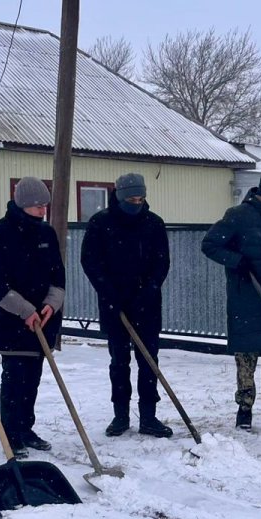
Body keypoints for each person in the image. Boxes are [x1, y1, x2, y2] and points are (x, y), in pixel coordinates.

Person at [201, 165, 261, 436]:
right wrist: (237, 261)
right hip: (245, 300)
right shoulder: (237, 216)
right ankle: (244, 411)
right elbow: (210, 244)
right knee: (246, 360)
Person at [81, 173, 173, 438]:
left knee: (148, 360)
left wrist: (151, 288)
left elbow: (161, 261)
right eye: (131, 199)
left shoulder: (153, 224)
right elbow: (90, 261)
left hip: (147, 303)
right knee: (119, 361)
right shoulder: (101, 224)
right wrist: (108, 291)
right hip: (114, 304)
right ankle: (120, 415)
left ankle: (149, 416)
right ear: (119, 197)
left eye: (140, 198)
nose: (136, 203)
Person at [0, 177, 65, 455]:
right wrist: (26, 311)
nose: (42, 211)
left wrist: (51, 304)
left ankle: (26, 428)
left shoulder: (46, 234)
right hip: (12, 320)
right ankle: (11, 432)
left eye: (45, 206)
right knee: (15, 376)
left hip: (44, 318)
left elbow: (57, 275)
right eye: (37, 206)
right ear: (22, 204)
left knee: (33, 377)